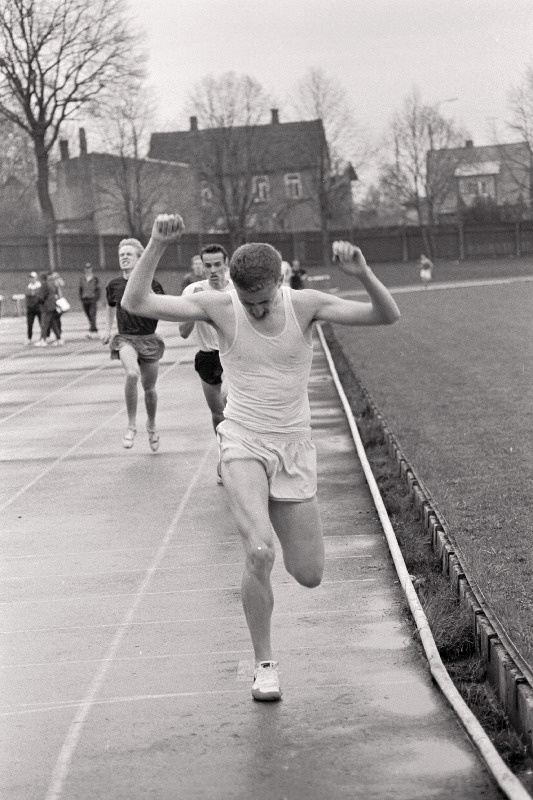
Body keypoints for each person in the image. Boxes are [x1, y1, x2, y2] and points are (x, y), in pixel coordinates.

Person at [122, 214, 400, 702]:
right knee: (258, 551)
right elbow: (137, 302)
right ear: (233, 285)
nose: (254, 310)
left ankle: (276, 524)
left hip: (293, 448)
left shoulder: (306, 305)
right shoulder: (220, 306)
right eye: (248, 302)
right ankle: (264, 665)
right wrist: (156, 245)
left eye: (263, 301)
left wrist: (362, 274)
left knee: (309, 574)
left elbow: (387, 316)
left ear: (280, 283)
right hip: (243, 442)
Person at [102, 238, 166, 452]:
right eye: (121, 254)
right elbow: (111, 307)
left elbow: (162, 307)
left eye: (129, 254)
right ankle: (131, 426)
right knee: (131, 374)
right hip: (125, 338)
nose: (124, 257)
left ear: (139, 259)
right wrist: (107, 330)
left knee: (149, 389)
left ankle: (152, 425)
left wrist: (152, 295)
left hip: (148, 338)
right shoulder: (114, 285)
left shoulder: (152, 283)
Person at [178, 244, 234, 482]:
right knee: (218, 414)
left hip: (234, 356)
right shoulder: (193, 290)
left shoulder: (236, 289)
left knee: (232, 406)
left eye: (217, 265)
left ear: (226, 264)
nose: (212, 270)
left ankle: (241, 458)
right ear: (201, 266)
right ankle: (224, 456)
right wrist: (195, 305)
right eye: (207, 265)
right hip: (208, 356)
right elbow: (182, 331)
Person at [35, 272, 64, 346]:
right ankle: (59, 339)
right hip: (52, 306)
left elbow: (42, 296)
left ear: (42, 278)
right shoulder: (52, 284)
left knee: (44, 323)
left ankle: (43, 339)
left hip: (46, 307)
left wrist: (38, 301)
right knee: (53, 323)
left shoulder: (44, 285)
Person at [79, 263, 101, 338]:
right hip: (85, 299)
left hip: (92, 299)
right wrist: (81, 298)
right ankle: (94, 330)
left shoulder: (95, 279)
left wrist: (96, 298)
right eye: (86, 268)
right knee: (88, 315)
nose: (88, 270)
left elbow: (98, 289)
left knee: (92, 314)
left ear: (91, 269)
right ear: (85, 269)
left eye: (89, 268)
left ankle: (91, 331)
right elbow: (80, 289)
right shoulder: (82, 279)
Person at [24, 271, 42, 344]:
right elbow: (27, 294)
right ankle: (29, 338)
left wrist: (33, 293)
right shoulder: (28, 286)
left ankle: (43, 337)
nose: (32, 279)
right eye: (30, 278)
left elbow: (39, 295)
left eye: (33, 278)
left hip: (39, 307)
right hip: (30, 308)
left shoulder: (40, 286)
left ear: (36, 278)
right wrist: (33, 293)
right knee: (29, 324)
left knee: (42, 323)